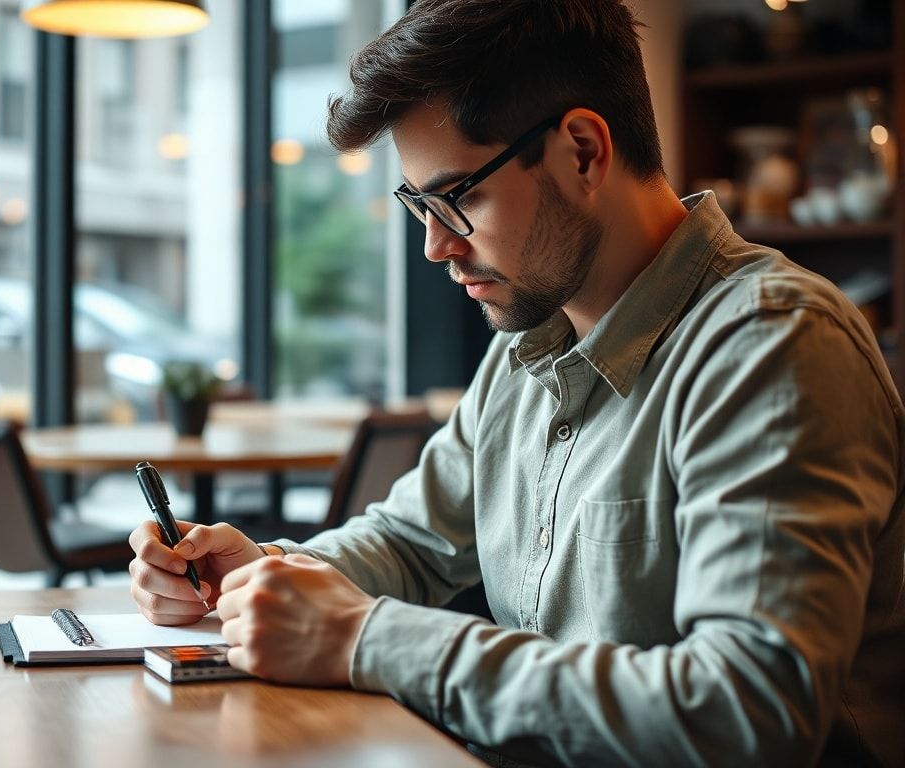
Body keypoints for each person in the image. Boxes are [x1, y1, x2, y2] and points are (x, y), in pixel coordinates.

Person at [127, 1, 905, 764]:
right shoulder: (528, 348)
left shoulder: (771, 344)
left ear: (582, 152)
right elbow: (411, 542)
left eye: (458, 197)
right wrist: (260, 573)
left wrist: (367, 638)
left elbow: (749, 710)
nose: (435, 246)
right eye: (418, 205)